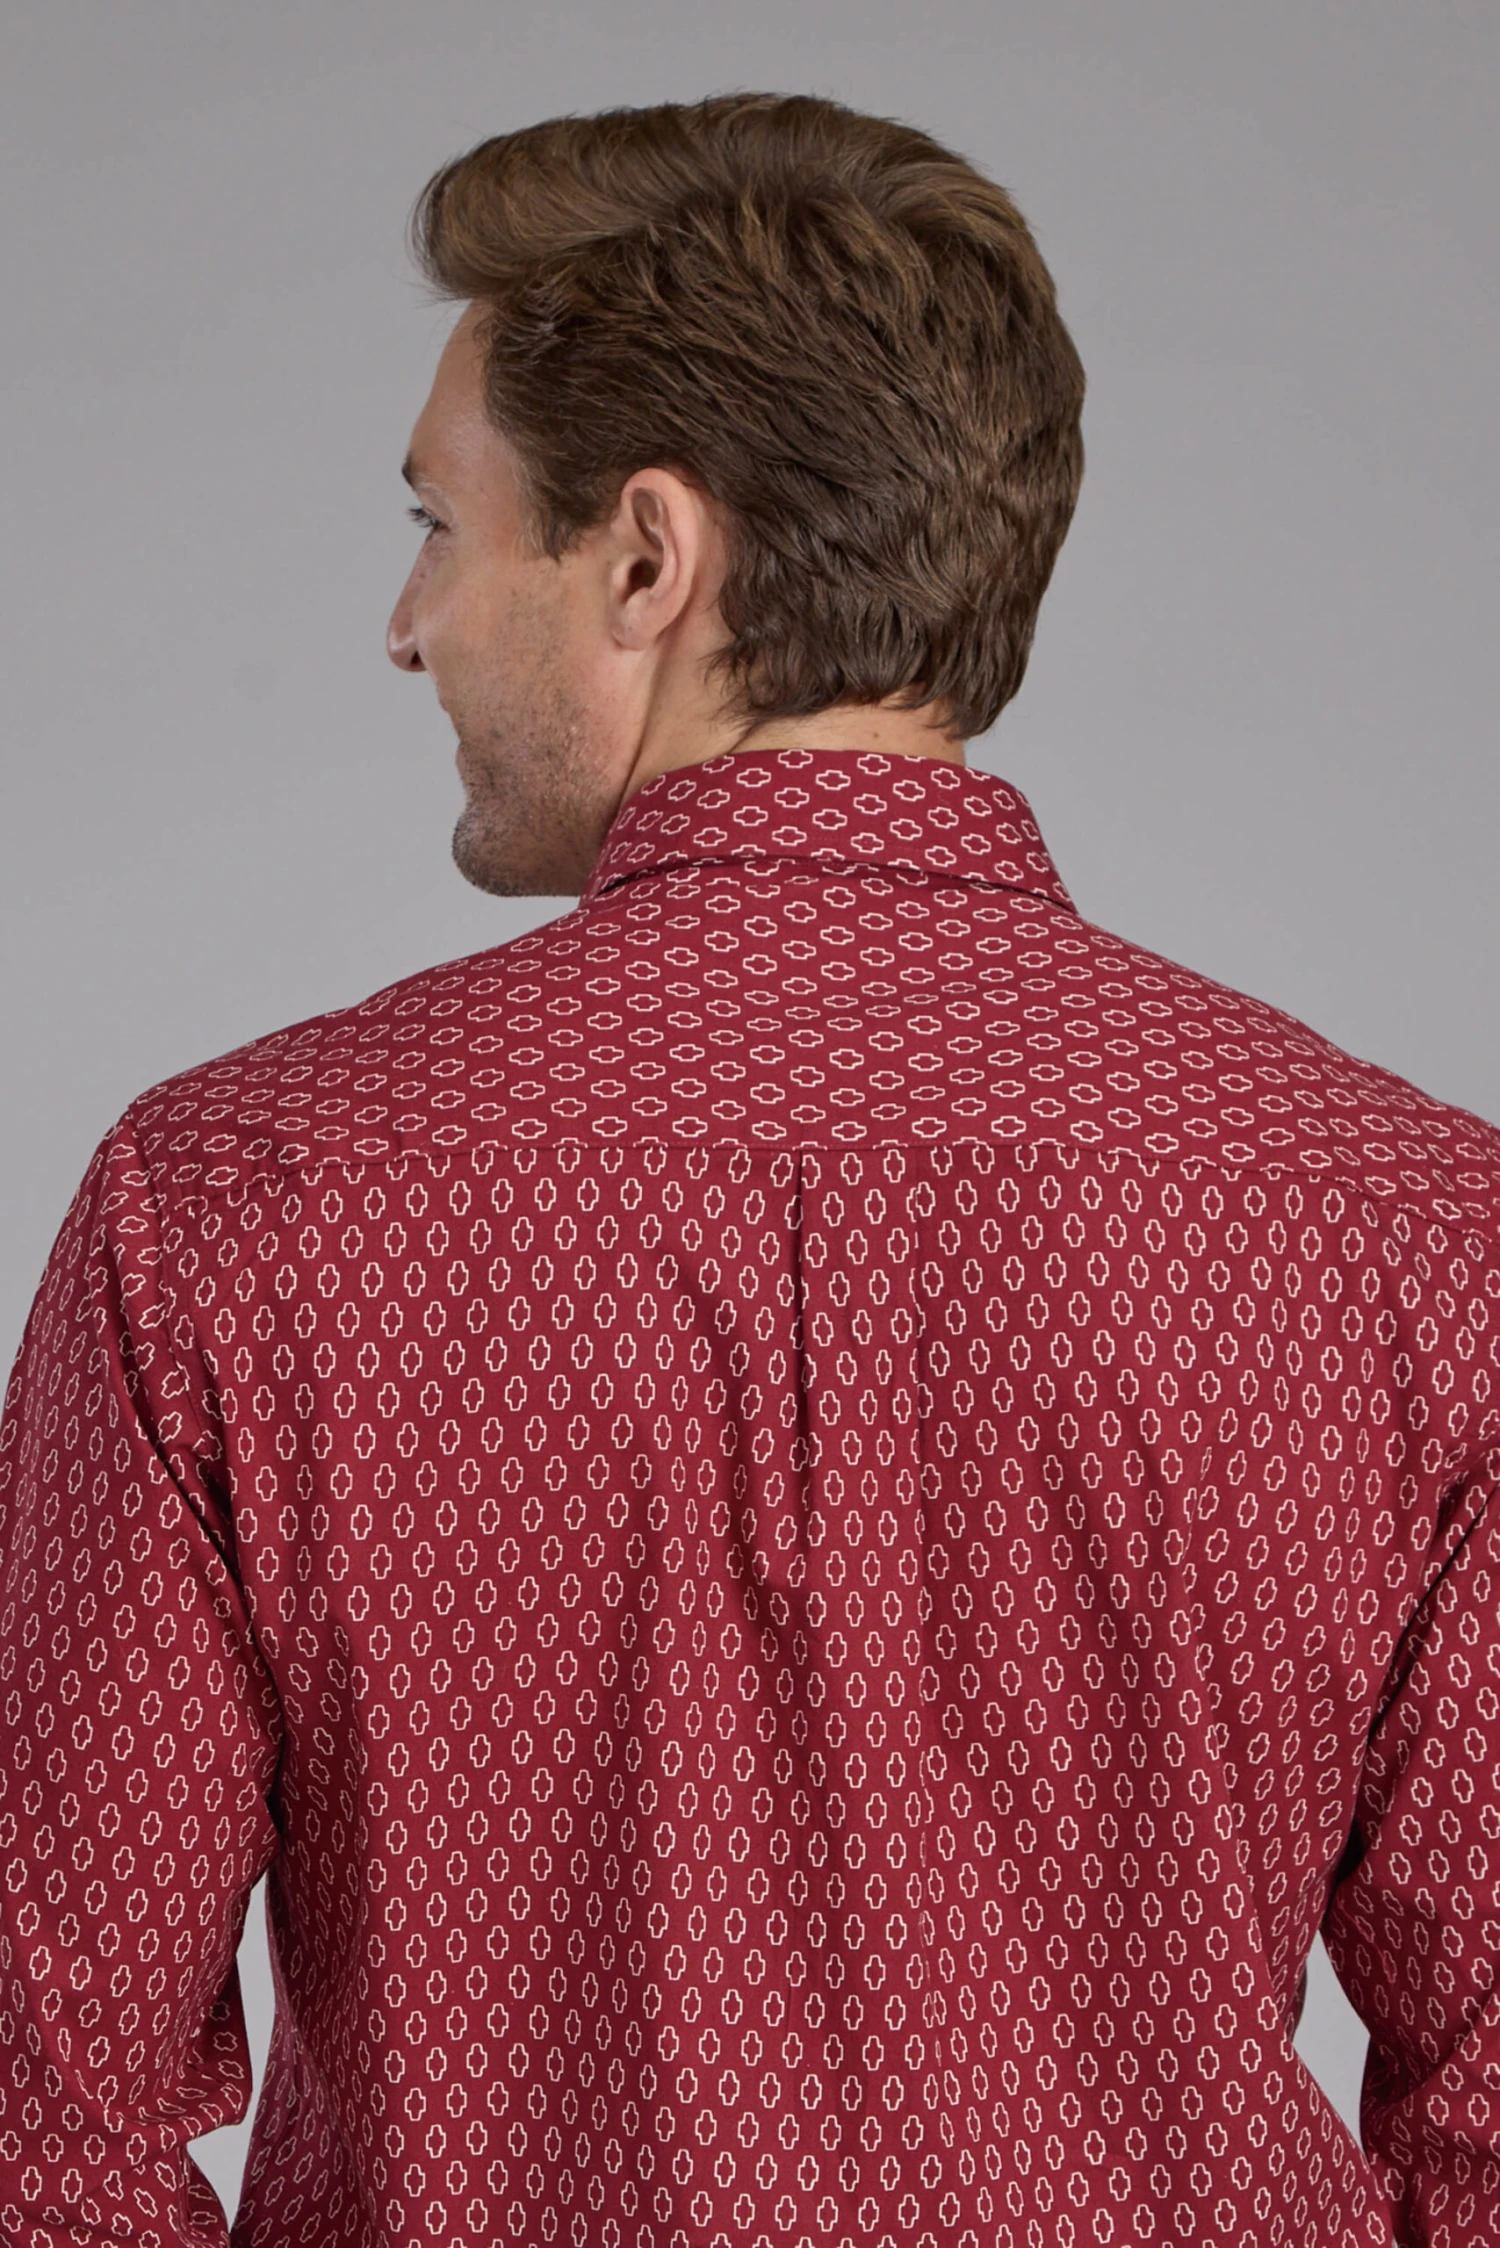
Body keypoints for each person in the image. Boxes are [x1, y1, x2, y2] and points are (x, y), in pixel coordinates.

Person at [0, 90, 1495, 2248]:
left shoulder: (238, 1204)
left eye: (438, 522)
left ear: (645, 558)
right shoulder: (1412, 1231)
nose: (407, 623)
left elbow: (40, 2122)